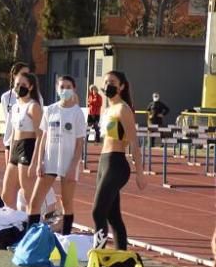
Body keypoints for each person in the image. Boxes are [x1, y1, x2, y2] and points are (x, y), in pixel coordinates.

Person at [91, 71, 147, 250]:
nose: (108, 85)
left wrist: (140, 173)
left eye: (113, 82)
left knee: (98, 211)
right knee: (112, 216)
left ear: (121, 86)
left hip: (116, 164)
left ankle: (98, 257)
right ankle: (121, 257)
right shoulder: (107, 110)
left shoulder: (123, 109)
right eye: (106, 81)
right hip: (104, 162)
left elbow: (134, 143)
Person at [28, 75, 86, 233]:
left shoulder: (77, 113)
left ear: (74, 89)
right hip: (49, 163)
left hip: (68, 164)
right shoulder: (50, 110)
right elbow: (43, 138)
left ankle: (66, 236)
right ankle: (29, 238)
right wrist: (40, 161)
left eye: (68, 87)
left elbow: (80, 143)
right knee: (34, 202)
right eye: (62, 87)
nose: (65, 90)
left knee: (67, 203)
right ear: (57, 89)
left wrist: (73, 167)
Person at [1, 71, 43, 213]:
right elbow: (13, 133)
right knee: (6, 195)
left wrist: (35, 161)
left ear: (30, 87)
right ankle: (15, 222)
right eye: (17, 84)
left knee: (28, 194)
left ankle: (37, 224)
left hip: (28, 148)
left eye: (23, 84)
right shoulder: (15, 106)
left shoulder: (33, 107)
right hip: (16, 149)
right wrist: (10, 154)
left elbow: (41, 135)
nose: (19, 87)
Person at [0, 63, 29, 164]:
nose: (26, 77)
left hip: (27, 142)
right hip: (10, 141)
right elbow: (8, 119)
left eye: (28, 74)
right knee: (10, 177)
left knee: (24, 178)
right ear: (14, 75)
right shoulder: (6, 97)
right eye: (23, 73)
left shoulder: (36, 97)